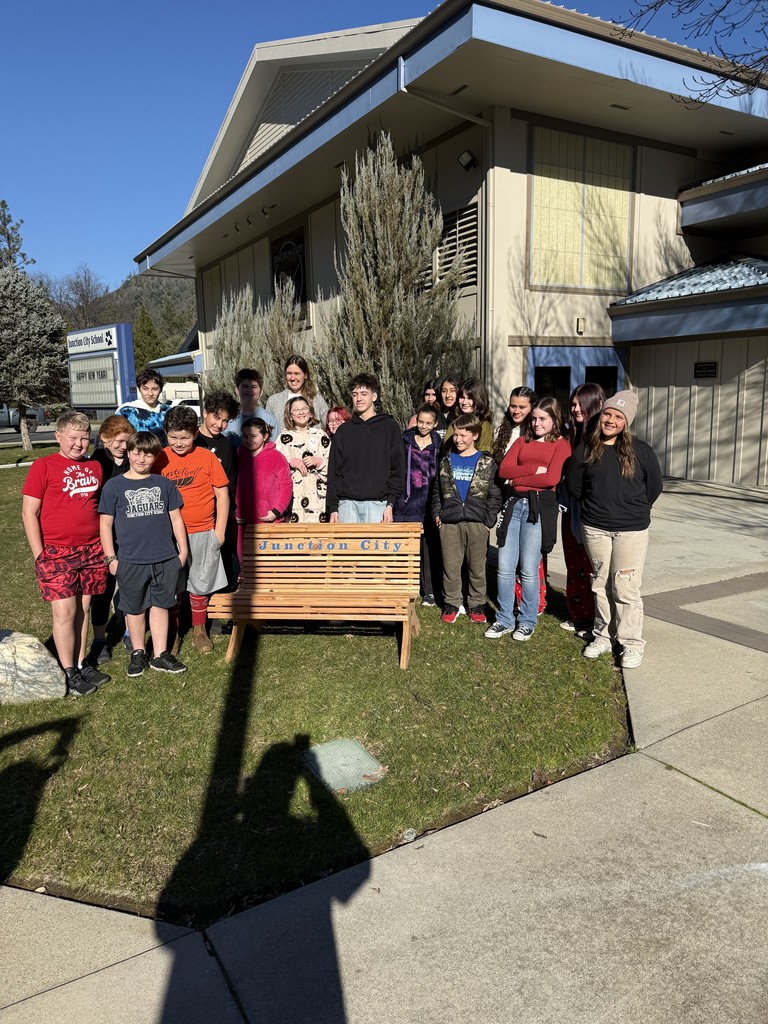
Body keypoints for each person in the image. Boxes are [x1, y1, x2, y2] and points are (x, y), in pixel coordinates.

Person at [565, 390, 663, 669]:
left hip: (630, 531)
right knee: (600, 584)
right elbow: (573, 487)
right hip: (595, 529)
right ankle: (603, 637)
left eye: (618, 416)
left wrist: (634, 510)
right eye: (607, 413)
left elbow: (654, 487)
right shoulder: (586, 448)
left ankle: (631, 643)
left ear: (626, 422)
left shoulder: (641, 451)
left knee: (626, 587)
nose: (610, 420)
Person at [21, 411, 109, 697]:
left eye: (85, 438)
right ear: (58, 437)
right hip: (56, 552)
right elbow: (29, 512)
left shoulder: (96, 466)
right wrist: (39, 554)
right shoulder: (43, 466)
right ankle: (67, 670)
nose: (79, 444)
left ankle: (81, 662)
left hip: (92, 549)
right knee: (64, 611)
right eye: (73, 438)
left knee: (83, 608)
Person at [98, 432, 189, 676]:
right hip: (130, 560)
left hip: (164, 558)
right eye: (136, 452)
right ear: (128, 453)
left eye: (148, 454)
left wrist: (182, 551)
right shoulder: (114, 486)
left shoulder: (163, 484)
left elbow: (176, 519)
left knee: (161, 606)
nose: (141, 458)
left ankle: (159, 654)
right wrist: (111, 558)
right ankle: (138, 652)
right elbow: (105, 524)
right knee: (135, 608)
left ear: (155, 456)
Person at [487, 397, 570, 642]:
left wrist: (517, 481)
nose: (536, 423)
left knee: (529, 568)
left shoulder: (561, 445)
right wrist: (533, 472)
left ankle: (526, 620)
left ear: (554, 420)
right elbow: (504, 471)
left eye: (542, 418)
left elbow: (551, 479)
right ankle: (503, 619)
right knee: (504, 566)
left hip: (537, 510)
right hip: (513, 507)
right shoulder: (522, 440)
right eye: (533, 418)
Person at [154, 405, 230, 654]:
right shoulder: (159, 458)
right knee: (173, 585)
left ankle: (199, 630)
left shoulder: (207, 457)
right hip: (168, 536)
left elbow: (222, 494)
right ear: (166, 434)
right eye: (173, 437)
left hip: (202, 530)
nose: (178, 443)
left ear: (195, 434)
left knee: (200, 582)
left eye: (184, 437)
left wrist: (219, 531)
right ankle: (173, 633)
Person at [431, 413, 501, 624]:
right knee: (451, 566)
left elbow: (495, 494)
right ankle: (452, 603)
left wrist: (488, 521)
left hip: (477, 522)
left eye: (463, 435)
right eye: (455, 435)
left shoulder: (486, 462)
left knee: (477, 567)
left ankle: (476, 604)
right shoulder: (446, 460)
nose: (458, 439)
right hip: (450, 522)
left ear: (475, 436)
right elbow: (437, 491)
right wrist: (437, 514)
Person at [326, 374, 405, 524]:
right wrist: (333, 507)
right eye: (355, 394)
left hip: (379, 506)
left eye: (364, 394)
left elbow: (398, 468)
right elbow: (334, 471)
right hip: (346, 506)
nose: (359, 399)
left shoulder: (389, 427)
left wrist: (390, 504)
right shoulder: (343, 431)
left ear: (374, 396)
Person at [560, 383, 605, 637]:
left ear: (593, 405)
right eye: (573, 404)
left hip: (591, 510)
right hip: (570, 509)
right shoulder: (570, 435)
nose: (575, 409)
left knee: (592, 566)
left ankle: (595, 619)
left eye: (579, 404)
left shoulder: (600, 438)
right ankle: (578, 615)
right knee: (573, 563)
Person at [88, 414, 134, 665]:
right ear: (104, 439)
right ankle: (99, 639)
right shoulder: (95, 463)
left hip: (129, 533)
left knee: (129, 586)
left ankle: (129, 630)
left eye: (125, 440)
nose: (121, 445)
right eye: (115, 440)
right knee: (102, 590)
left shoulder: (133, 461)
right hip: (103, 534)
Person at [394, 404, 442, 606]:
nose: (423, 426)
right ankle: (404, 586)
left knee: (428, 549)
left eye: (428, 423)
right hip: (405, 503)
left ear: (435, 424)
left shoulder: (439, 446)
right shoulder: (404, 441)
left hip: (429, 504)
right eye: (420, 421)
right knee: (405, 548)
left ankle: (429, 591)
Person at [196, 390, 240, 593]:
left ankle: (215, 615)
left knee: (218, 569)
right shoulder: (190, 440)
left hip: (217, 518)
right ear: (205, 412)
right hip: (192, 516)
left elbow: (231, 485)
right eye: (216, 417)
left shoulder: (227, 447)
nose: (219, 424)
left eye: (225, 421)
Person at [235, 418, 293, 556]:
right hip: (244, 522)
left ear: (265, 436)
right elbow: (231, 484)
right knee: (245, 562)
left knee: (270, 564)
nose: (249, 440)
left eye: (254, 436)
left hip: (268, 521)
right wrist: (235, 510)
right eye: (245, 436)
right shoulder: (238, 456)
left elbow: (285, 485)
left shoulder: (276, 457)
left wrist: (276, 511)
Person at [275, 396, 330, 523]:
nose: (301, 412)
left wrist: (319, 462)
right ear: (289, 415)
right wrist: (290, 462)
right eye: (296, 410)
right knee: (296, 540)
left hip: (319, 502)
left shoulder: (321, 436)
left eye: (304, 408)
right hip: (294, 502)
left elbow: (333, 468)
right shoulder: (283, 438)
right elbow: (275, 470)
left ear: (310, 412)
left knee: (318, 540)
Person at [266, 355, 328, 427]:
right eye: (289, 373)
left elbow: (328, 426)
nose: (292, 378)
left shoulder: (317, 400)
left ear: (305, 375)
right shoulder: (274, 401)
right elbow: (267, 431)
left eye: (296, 373)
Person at [116, 368, 173, 444]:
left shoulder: (168, 411)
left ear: (160, 390)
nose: (150, 393)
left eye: (155, 389)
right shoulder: (127, 411)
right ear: (139, 389)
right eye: (145, 389)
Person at [442, 377, 493, 454]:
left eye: (470, 398)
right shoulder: (455, 421)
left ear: (479, 399)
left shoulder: (484, 425)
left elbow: (484, 458)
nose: (464, 402)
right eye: (462, 397)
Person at [224, 368, 276, 445]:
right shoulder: (227, 418)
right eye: (245, 386)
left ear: (261, 392)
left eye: (254, 387)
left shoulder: (270, 420)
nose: (249, 390)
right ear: (237, 390)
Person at [492, 386, 537, 465]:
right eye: (513, 406)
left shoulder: (537, 433)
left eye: (522, 407)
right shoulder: (498, 432)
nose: (516, 411)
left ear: (532, 408)